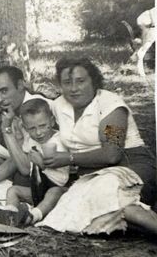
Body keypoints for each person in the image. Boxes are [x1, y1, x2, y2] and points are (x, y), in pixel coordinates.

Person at [36, 58, 157, 234]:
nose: (74, 88)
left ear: (94, 81)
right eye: (67, 83)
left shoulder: (111, 107)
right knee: (84, 205)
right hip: (91, 176)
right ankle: (137, 218)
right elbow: (33, 108)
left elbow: (112, 154)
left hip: (131, 166)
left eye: (81, 81)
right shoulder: (59, 105)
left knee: (101, 194)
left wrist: (68, 158)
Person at [1, 98, 68, 225]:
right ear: (25, 128)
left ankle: (33, 216)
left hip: (58, 191)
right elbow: (26, 167)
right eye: (31, 128)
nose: (38, 133)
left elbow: (62, 180)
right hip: (37, 191)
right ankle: (10, 215)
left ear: (52, 121)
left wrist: (42, 164)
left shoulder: (59, 141)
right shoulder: (31, 141)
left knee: (54, 192)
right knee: (13, 190)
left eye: (42, 126)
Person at [0, 66, 54, 188]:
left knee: (20, 180)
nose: (0, 99)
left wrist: (6, 130)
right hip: (34, 165)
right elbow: (19, 155)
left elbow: (26, 168)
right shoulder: (13, 109)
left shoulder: (37, 110)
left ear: (20, 85)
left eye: (4, 91)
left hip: (61, 176)